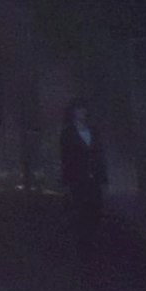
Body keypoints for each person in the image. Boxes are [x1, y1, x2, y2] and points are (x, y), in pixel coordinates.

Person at [57, 97, 108, 263]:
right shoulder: (68, 133)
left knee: (95, 210)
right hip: (78, 179)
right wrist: (66, 183)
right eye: (79, 109)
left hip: (94, 179)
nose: (82, 112)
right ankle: (82, 247)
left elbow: (100, 156)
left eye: (84, 109)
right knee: (80, 212)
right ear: (73, 112)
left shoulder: (93, 131)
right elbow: (66, 159)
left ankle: (93, 242)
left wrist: (104, 179)